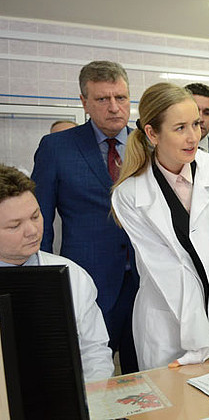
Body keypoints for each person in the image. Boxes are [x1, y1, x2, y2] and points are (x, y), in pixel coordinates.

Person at [111, 82, 209, 370]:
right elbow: (168, 272)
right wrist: (200, 343)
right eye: (180, 128)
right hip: (166, 327)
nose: (193, 137)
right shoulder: (129, 195)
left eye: (196, 124)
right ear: (152, 133)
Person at [31, 60, 139, 374]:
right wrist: (44, 284)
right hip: (88, 280)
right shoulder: (57, 147)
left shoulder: (148, 145)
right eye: (103, 99)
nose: (114, 107)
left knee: (144, 373)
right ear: (84, 102)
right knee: (88, 373)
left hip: (146, 283)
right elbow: (40, 220)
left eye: (121, 97)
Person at [0, 164, 114, 382]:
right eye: (15, 226)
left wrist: (91, 397)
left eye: (35, 216)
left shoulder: (73, 275)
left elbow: (94, 352)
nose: (32, 231)